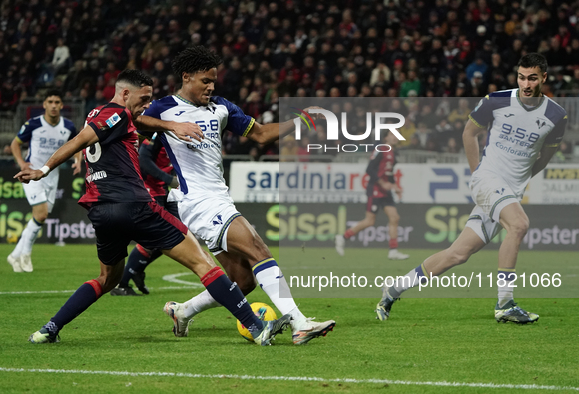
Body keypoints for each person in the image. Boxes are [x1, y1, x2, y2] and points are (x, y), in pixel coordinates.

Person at [16, 69, 291, 346]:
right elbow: (80, 141)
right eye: (144, 98)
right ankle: (257, 328)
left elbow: (122, 128)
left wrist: (170, 127)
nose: (148, 104)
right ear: (125, 94)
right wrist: (44, 169)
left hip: (101, 211)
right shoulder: (118, 114)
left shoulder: (100, 114)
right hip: (134, 205)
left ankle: (49, 329)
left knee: (107, 279)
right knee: (204, 262)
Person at [134, 46, 335, 345]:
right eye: (205, 80)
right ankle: (299, 322)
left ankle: (183, 311)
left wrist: (301, 122)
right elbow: (134, 121)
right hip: (197, 201)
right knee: (257, 247)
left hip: (219, 198)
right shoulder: (163, 108)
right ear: (186, 77)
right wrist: (171, 126)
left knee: (243, 281)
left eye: (214, 80)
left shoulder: (222, 108)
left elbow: (261, 134)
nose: (211, 86)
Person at [376, 53, 567, 324]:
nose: (526, 83)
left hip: (508, 192)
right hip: (486, 180)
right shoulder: (497, 100)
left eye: (532, 78)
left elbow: (544, 158)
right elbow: (469, 133)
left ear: (544, 78)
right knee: (519, 224)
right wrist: (477, 172)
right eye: (521, 77)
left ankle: (393, 289)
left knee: (457, 254)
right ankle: (505, 303)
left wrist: (519, 183)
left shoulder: (557, 115)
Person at [7, 90, 81, 273]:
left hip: (51, 176)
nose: (54, 105)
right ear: (45, 105)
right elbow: (15, 144)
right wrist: (22, 163)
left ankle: (14, 255)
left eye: (57, 102)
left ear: (62, 105)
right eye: (50, 102)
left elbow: (77, 144)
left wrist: (78, 161)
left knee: (39, 217)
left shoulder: (68, 126)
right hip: (32, 174)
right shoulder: (33, 124)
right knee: (40, 214)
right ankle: (25, 254)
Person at [110, 133, 179, 295]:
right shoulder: (159, 134)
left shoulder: (181, 133)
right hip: (150, 190)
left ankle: (137, 268)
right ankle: (121, 284)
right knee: (154, 237)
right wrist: (168, 179)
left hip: (165, 191)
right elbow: (144, 161)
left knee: (177, 235)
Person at [335, 132, 410, 260]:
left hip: (385, 191)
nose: (395, 137)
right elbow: (369, 169)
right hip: (375, 189)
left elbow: (389, 174)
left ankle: (393, 251)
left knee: (394, 217)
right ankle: (342, 237)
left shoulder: (393, 154)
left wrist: (395, 186)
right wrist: (382, 183)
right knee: (370, 221)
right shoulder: (380, 149)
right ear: (386, 137)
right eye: (392, 134)